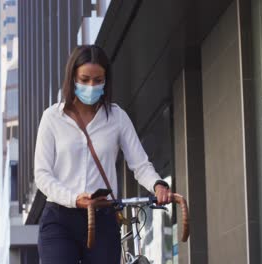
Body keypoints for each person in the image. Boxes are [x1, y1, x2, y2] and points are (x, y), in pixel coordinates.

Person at [34, 44, 172, 264]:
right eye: (85, 79)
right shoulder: (52, 118)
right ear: (72, 79)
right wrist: (73, 199)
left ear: (106, 81)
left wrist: (157, 184)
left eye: (98, 80)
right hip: (60, 218)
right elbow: (42, 174)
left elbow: (140, 164)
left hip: (103, 218)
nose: (91, 85)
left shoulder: (117, 117)